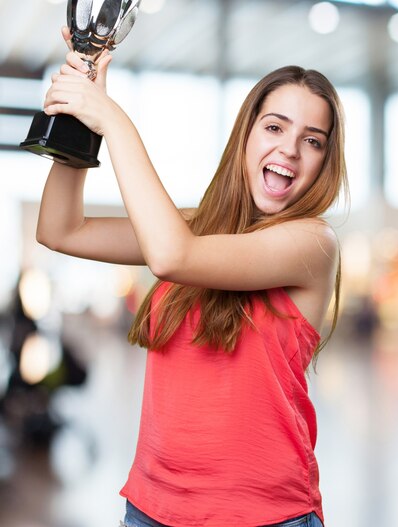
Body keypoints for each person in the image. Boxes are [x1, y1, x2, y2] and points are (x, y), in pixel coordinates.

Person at [36, 26, 348, 527]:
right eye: (274, 127)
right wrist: (81, 117)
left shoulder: (311, 244)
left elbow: (170, 257)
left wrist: (113, 120)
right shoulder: (191, 226)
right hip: (151, 509)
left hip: (264, 517)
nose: (290, 149)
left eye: (311, 141)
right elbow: (61, 229)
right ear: (246, 135)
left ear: (323, 162)